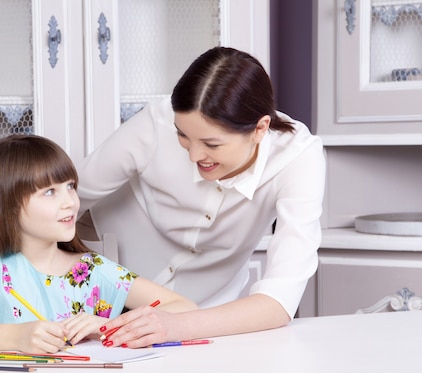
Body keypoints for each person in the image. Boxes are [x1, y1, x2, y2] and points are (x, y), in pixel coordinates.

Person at [77, 46, 326, 348]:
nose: (195, 155)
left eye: (212, 144)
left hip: (197, 318)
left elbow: (278, 300)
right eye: (182, 136)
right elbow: (70, 197)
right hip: (97, 292)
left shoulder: (297, 157)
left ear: (260, 128)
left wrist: (174, 325)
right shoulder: (156, 122)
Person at [0, 134, 198, 354]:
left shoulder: (93, 271)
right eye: (49, 192)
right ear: (7, 205)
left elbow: (185, 309)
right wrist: (15, 338)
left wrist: (107, 326)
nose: (70, 202)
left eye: (70, 186)